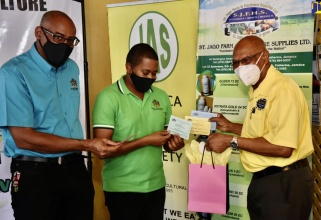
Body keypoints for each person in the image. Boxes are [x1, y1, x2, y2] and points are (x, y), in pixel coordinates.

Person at [0, 10, 120, 220]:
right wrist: (86, 144)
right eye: (58, 37)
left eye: (71, 40)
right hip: (36, 174)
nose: (64, 45)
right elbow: (23, 137)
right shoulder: (14, 73)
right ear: (39, 33)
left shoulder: (72, 68)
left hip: (75, 170)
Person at [205, 35, 314, 220]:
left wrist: (230, 141)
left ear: (265, 56)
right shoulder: (258, 89)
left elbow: (283, 147)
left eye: (246, 60)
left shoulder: (282, 89)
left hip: (284, 182)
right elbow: (263, 133)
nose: (240, 68)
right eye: (235, 63)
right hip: (264, 182)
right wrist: (230, 126)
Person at [92, 43, 185, 220]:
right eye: (145, 73)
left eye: (154, 73)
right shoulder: (108, 97)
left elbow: (166, 141)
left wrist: (174, 144)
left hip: (156, 186)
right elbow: (102, 151)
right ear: (129, 68)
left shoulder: (161, 97)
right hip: (122, 189)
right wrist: (146, 140)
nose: (150, 77)